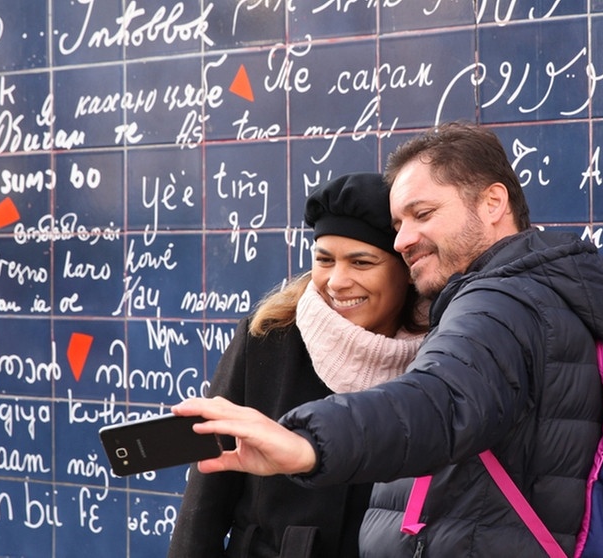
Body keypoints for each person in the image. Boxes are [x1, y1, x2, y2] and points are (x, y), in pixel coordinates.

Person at [173, 121, 603, 556]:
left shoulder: (494, 307)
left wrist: (305, 445)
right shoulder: (271, 336)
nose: (404, 240)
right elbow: (206, 501)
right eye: (399, 224)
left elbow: (438, 403)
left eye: (422, 214)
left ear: (493, 203)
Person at [167, 173, 428, 558]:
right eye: (324, 260)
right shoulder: (268, 338)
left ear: (406, 270)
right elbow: (207, 497)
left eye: (361, 261)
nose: (338, 281)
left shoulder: (439, 355)